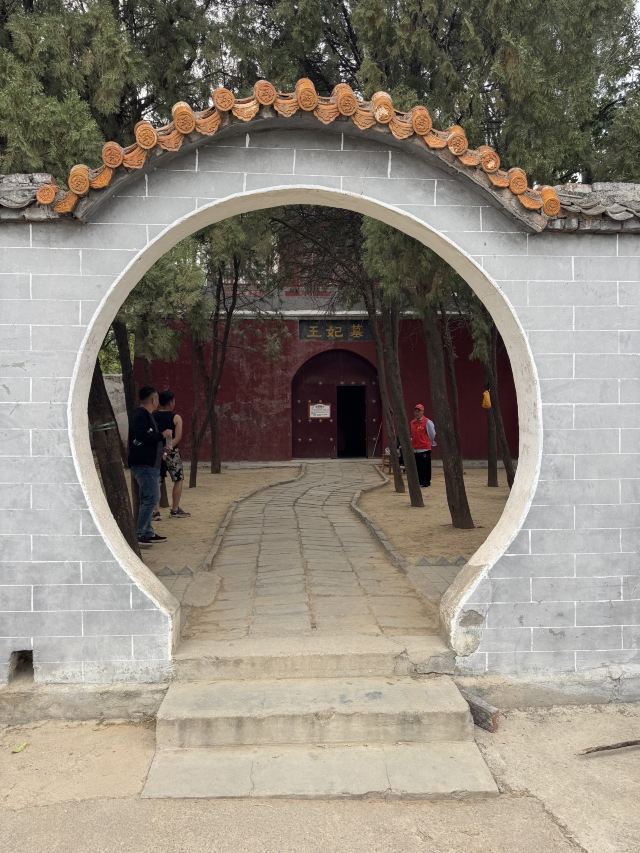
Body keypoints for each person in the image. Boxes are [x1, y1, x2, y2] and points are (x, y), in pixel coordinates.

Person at [127, 385, 173, 545]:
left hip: (151, 463)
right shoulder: (141, 415)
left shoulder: (147, 415)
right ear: (153, 399)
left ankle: (147, 531)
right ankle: (141, 533)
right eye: (157, 398)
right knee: (151, 497)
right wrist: (162, 435)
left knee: (149, 497)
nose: (158, 401)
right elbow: (142, 436)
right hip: (144, 463)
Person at [154, 390, 190, 518]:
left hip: (155, 452)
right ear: (170, 402)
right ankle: (175, 510)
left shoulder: (152, 415)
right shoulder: (176, 417)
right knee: (178, 479)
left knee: (156, 480)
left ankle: (155, 511)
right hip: (172, 452)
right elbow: (178, 437)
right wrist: (168, 449)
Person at [410, 403, 436, 488]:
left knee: (425, 466)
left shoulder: (427, 422)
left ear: (422, 412)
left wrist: (428, 442)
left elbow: (432, 434)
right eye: (416, 411)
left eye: (419, 411)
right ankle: (419, 481)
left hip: (424, 448)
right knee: (418, 466)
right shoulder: (412, 422)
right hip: (415, 448)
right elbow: (412, 434)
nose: (417, 413)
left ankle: (426, 482)